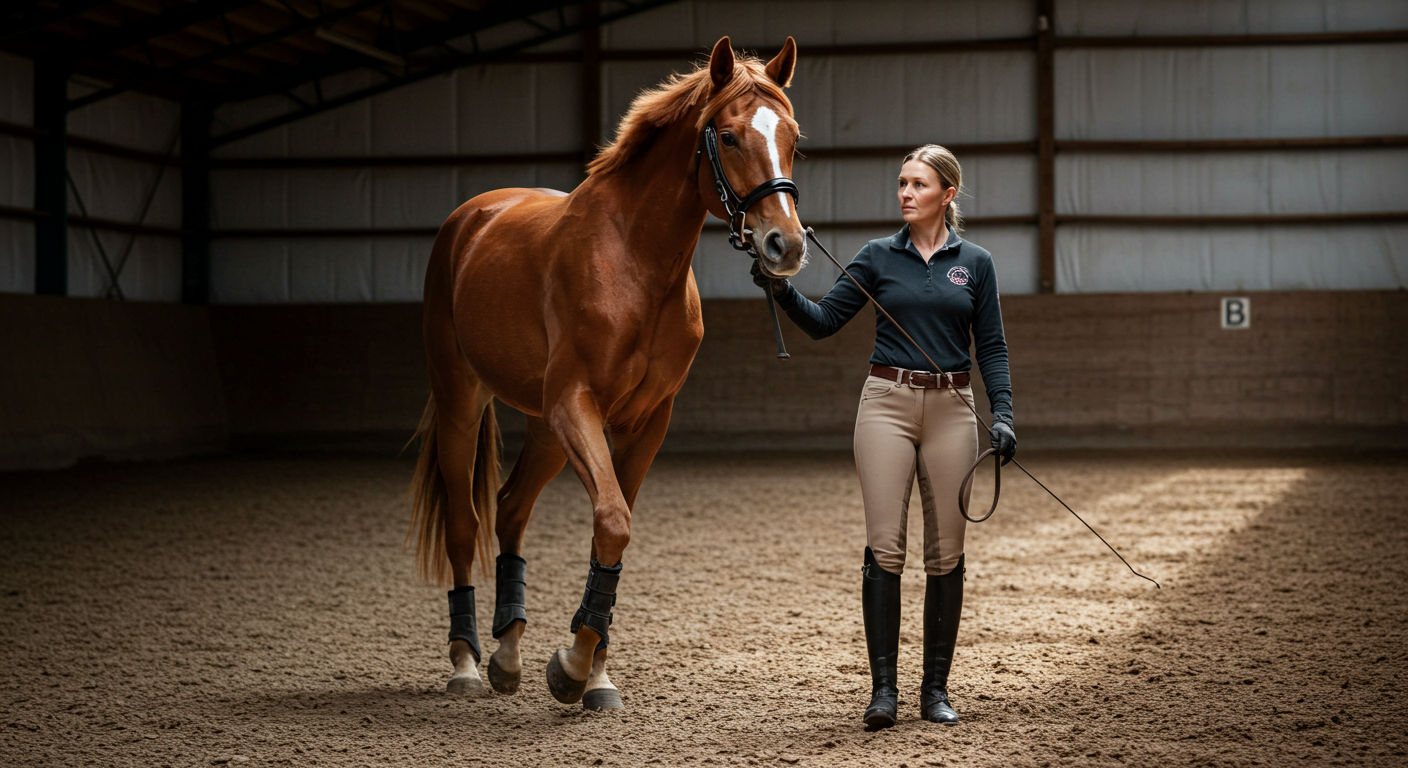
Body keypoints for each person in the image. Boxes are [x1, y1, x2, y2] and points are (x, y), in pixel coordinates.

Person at [752, 145, 1016, 728]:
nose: (905, 193)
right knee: (885, 547)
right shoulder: (875, 257)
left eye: (917, 184)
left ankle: (936, 692)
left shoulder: (975, 263)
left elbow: (991, 347)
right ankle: (884, 693)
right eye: (901, 183)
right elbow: (822, 323)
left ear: (947, 195)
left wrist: (1004, 415)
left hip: (952, 407)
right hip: (885, 406)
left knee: (947, 552)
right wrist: (779, 288)